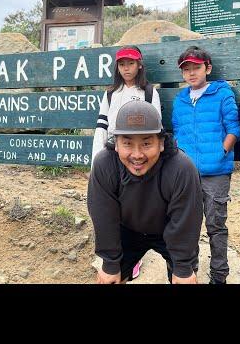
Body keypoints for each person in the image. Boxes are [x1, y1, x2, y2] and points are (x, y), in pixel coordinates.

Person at [87, 100, 203, 284]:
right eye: (127, 143)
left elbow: (186, 219)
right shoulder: (104, 164)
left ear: (162, 143)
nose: (137, 154)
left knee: (184, 279)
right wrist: (109, 262)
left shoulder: (182, 168)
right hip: (128, 230)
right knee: (109, 279)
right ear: (116, 143)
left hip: (169, 228)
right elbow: (103, 215)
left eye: (147, 143)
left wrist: (182, 267)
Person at [171, 45, 240, 284]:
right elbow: (177, 131)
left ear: (207, 68)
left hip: (217, 173)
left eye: (196, 67)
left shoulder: (222, 94)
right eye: (186, 69)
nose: (191, 73)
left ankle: (219, 276)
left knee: (216, 226)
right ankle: (189, 272)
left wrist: (222, 151)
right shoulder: (180, 99)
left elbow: (234, 127)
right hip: (187, 174)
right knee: (188, 226)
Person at [91, 45, 162, 279]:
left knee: (135, 206)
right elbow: (102, 127)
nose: (126, 68)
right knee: (114, 206)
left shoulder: (149, 93)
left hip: (138, 157)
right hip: (114, 156)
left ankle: (135, 258)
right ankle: (118, 257)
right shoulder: (111, 93)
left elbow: (155, 130)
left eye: (131, 63)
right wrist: (97, 161)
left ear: (139, 65)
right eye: (122, 64)